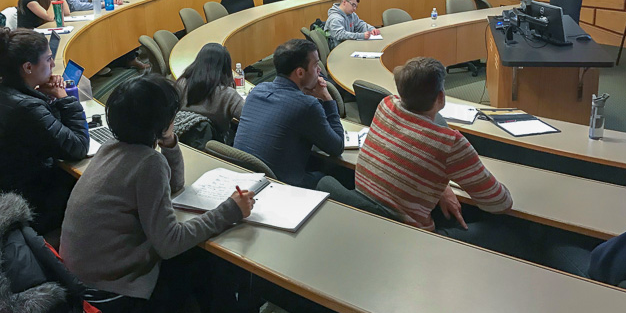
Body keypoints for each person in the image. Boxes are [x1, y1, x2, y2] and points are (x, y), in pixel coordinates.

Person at [59, 75, 254, 313]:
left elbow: (174, 185)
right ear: (161, 121)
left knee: (196, 256)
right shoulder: (148, 164)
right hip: (110, 306)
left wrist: (170, 141)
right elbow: (169, 243)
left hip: (81, 287)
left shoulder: (110, 148)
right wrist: (230, 210)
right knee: (208, 263)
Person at [354, 57, 516, 248]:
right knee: (508, 230)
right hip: (412, 241)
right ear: (441, 97)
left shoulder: (386, 105)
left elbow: (414, 154)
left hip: (366, 220)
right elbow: (500, 203)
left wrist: (443, 188)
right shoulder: (449, 143)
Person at [0, 28, 89, 234]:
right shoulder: (25, 107)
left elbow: (48, 130)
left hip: (8, 186)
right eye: (48, 60)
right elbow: (79, 146)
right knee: (96, 182)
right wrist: (64, 98)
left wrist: (48, 97)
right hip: (30, 200)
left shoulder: (1, 88)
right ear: (28, 67)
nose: (53, 65)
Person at [234, 39, 344, 188]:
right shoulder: (307, 106)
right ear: (299, 72)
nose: (319, 71)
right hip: (281, 188)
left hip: (243, 179)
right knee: (337, 176)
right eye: (315, 65)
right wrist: (327, 98)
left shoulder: (258, 90)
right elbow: (337, 147)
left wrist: (302, 92)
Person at [176, 43, 243, 139]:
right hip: (214, 145)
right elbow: (250, 116)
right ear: (225, 68)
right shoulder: (227, 94)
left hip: (181, 140)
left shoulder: (181, 83)